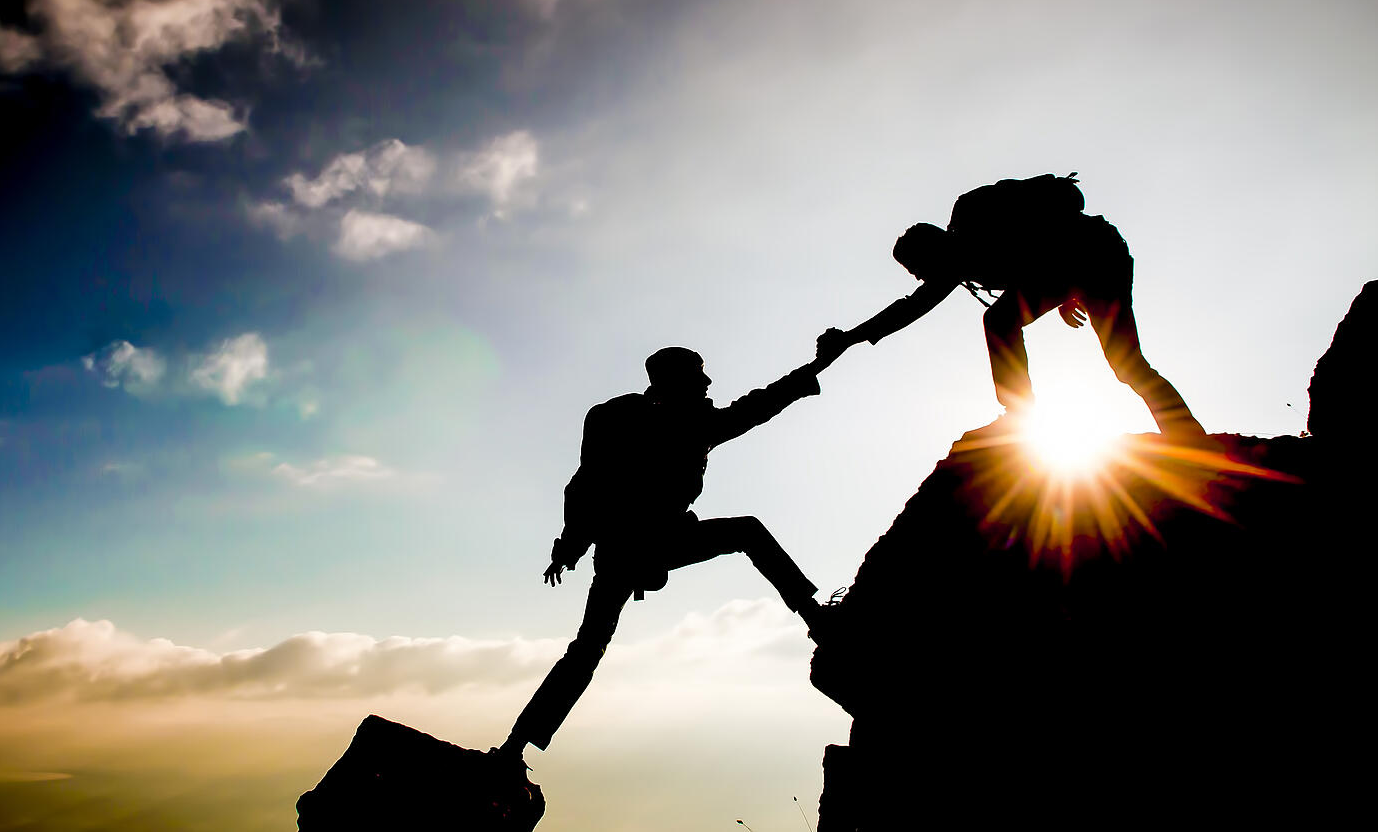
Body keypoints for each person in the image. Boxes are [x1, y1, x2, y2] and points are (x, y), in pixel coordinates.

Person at [494, 344, 837, 763]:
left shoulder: (625, 419)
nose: (708, 383)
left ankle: (515, 745)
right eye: (699, 374)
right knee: (746, 531)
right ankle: (813, 614)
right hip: (648, 546)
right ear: (675, 381)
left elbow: (584, 487)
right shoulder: (680, 424)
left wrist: (570, 548)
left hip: (621, 554)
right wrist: (816, 367)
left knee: (586, 649)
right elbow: (756, 407)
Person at [818, 174, 1206, 438]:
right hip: (1077, 268)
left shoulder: (973, 213)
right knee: (1004, 321)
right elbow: (910, 309)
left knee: (1124, 364)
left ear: (933, 250)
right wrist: (851, 337)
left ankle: (1186, 436)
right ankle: (1019, 414)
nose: (924, 281)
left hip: (1098, 254)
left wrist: (1064, 287)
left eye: (921, 270)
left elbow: (1064, 202)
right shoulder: (956, 265)